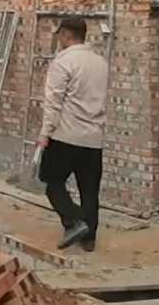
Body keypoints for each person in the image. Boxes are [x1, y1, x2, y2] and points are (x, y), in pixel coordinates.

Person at [37, 16, 109, 251]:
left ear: (66, 35)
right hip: (93, 138)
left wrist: (45, 132)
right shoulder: (100, 63)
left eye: (60, 35)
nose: (58, 39)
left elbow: (54, 101)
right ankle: (89, 240)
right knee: (89, 189)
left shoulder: (63, 62)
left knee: (52, 182)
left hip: (66, 135)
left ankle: (74, 221)